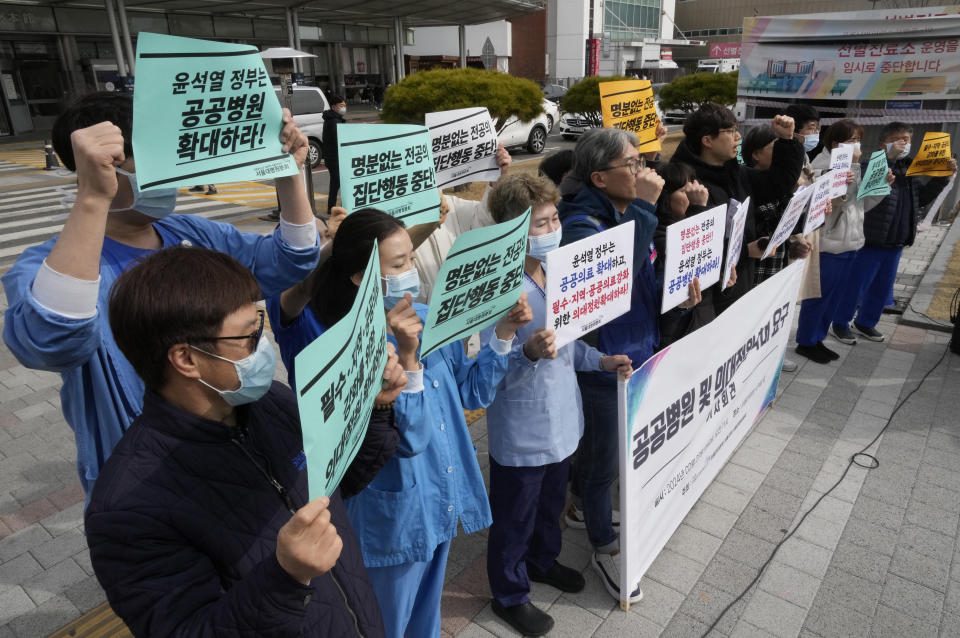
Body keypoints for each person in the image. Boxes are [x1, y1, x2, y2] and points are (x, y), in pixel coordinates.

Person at [2, 91, 320, 497]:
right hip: (151, 479)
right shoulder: (52, 265)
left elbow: (288, 261)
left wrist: (289, 174)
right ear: (98, 168)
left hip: (233, 443)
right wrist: (91, 199)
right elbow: (50, 341)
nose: (167, 179)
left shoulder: (191, 232)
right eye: (150, 167)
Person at [86, 246, 405, 636]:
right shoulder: (127, 507)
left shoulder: (273, 401)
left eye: (261, 325)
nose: (264, 345)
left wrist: (373, 410)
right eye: (249, 337)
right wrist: (285, 577)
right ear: (186, 359)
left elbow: (345, 481)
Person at [266, 209, 533, 637]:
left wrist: (501, 335)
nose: (411, 271)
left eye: (411, 258)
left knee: (425, 620)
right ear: (361, 276)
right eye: (398, 264)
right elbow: (409, 439)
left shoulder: (427, 313)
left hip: (440, 494)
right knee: (386, 622)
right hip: (393, 514)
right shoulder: (340, 344)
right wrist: (408, 361)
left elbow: (472, 393)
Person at [480, 174, 633, 634]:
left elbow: (568, 344)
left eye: (552, 219)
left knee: (551, 502)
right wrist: (525, 353)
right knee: (514, 515)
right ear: (511, 230)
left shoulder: (563, 272)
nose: (550, 230)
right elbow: (484, 373)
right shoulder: (496, 290)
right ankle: (508, 594)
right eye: (538, 223)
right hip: (522, 426)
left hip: (564, 417)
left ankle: (542, 560)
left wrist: (601, 360)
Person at [556, 127, 664, 603]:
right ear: (600, 177)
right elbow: (612, 288)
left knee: (606, 452)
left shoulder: (620, 211)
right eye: (633, 165)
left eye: (641, 162)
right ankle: (604, 544)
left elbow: (641, 279)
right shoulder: (583, 225)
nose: (643, 172)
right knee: (605, 462)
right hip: (604, 361)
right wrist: (646, 207)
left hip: (636, 347)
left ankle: (583, 504)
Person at [669, 103, 806, 314]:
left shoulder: (737, 174)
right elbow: (690, 251)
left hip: (739, 285)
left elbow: (778, 184)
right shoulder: (684, 184)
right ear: (707, 140)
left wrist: (787, 141)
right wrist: (745, 251)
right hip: (703, 301)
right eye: (730, 132)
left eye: (737, 130)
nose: (738, 137)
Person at [832, 122, 957, 344]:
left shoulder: (911, 170)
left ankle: (866, 322)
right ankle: (840, 323)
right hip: (871, 239)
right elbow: (870, 184)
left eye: (907, 140)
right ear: (884, 143)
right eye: (898, 139)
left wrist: (942, 177)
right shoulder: (871, 163)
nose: (904, 144)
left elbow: (922, 199)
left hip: (897, 240)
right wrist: (889, 158)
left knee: (881, 289)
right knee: (856, 286)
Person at [795, 120, 883, 364]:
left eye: (859, 140)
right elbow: (830, 206)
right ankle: (806, 341)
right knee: (819, 296)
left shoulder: (853, 166)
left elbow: (862, 204)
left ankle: (818, 338)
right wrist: (844, 178)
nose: (858, 146)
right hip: (829, 243)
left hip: (852, 241)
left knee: (835, 296)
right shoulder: (822, 166)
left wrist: (880, 187)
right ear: (837, 144)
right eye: (853, 140)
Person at [407, 143, 512, 304]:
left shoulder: (452, 205)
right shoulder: (386, 219)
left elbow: (484, 223)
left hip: (464, 311)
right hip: (420, 320)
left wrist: (496, 179)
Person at [652, 162, 710, 349]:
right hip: (672, 333)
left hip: (696, 323)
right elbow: (688, 256)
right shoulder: (658, 232)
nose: (693, 197)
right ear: (665, 198)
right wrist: (698, 209)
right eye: (685, 192)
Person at [322, 95, 347, 214]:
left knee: (335, 184)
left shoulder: (333, 119)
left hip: (332, 158)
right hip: (335, 158)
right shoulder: (334, 121)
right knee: (343, 183)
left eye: (345, 105)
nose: (344, 108)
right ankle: (343, 208)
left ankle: (330, 208)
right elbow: (340, 140)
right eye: (341, 106)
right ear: (333, 107)